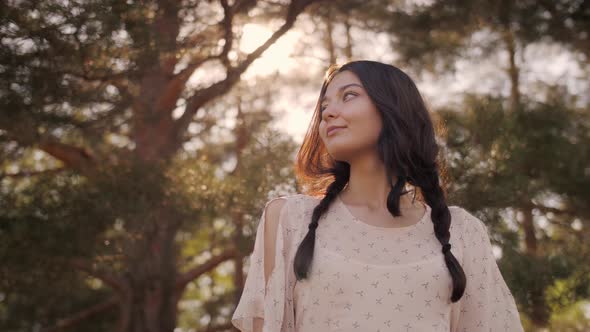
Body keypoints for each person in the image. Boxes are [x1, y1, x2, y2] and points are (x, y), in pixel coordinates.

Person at [231, 60, 524, 331]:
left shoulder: (462, 231)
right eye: (324, 108)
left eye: (348, 96)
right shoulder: (290, 218)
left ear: (393, 108)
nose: (329, 113)